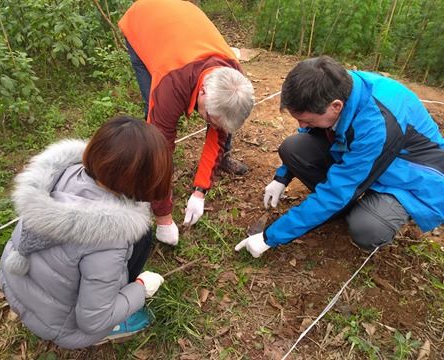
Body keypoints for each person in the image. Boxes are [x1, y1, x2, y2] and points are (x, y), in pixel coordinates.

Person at [236, 56, 444, 258]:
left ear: (336, 106)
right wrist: (282, 177)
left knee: (367, 227)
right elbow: (311, 134)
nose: (301, 125)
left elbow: (337, 191)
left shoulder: (376, 124)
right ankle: (339, 207)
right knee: (294, 148)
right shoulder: (339, 86)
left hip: (408, 178)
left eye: (306, 119)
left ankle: (366, 210)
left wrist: (269, 237)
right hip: (370, 158)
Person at [0, 116, 173, 349]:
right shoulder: (109, 238)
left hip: (15, 283)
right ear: (141, 180)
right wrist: (140, 288)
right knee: (140, 241)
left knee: (140, 236)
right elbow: (93, 320)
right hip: (61, 325)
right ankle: (118, 325)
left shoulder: (62, 173)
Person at [118, 0, 254, 246]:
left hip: (185, 21)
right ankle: (145, 163)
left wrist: (200, 190)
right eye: (211, 120)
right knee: (155, 120)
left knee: (220, 120)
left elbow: (217, 134)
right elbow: (161, 150)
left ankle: (221, 160)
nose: (214, 126)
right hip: (144, 21)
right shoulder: (171, 85)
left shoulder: (234, 79)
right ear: (202, 93)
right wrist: (164, 217)